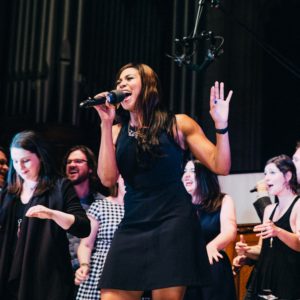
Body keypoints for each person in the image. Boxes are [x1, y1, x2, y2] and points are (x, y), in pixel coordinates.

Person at [93, 62, 233, 300]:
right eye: (118, 82)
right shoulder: (117, 131)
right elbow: (107, 178)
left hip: (173, 222)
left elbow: (221, 166)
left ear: (147, 85)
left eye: (128, 79)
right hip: (134, 222)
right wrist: (106, 124)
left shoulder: (178, 124)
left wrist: (221, 125)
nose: (121, 84)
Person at [0, 130, 91, 300]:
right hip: (10, 271)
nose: (20, 167)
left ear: (40, 157)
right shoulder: (8, 192)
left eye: (26, 161)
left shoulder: (60, 187)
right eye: (15, 161)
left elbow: (83, 227)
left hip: (46, 276)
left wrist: (53, 214)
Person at [234, 154, 300, 299]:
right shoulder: (269, 210)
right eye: (265, 174)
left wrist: (278, 231)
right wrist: (247, 252)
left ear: (288, 176)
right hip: (262, 282)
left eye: (272, 173)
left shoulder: (298, 206)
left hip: (287, 284)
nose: (266, 179)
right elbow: (263, 249)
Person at [182, 159, 237, 300]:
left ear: (205, 176)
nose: (186, 175)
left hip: (212, 264)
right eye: (185, 171)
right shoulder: (179, 205)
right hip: (186, 268)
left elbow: (229, 231)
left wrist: (212, 246)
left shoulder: (223, 200)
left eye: (192, 171)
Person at [75, 174, 125, 300]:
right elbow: (86, 244)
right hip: (100, 271)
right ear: (118, 178)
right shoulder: (100, 206)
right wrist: (84, 265)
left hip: (130, 270)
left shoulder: (143, 210)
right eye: (126, 176)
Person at [62, 145, 106, 272]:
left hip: (90, 272)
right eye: (69, 162)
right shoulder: (58, 201)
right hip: (62, 273)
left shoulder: (102, 203)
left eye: (78, 161)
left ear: (91, 168)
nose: (72, 165)